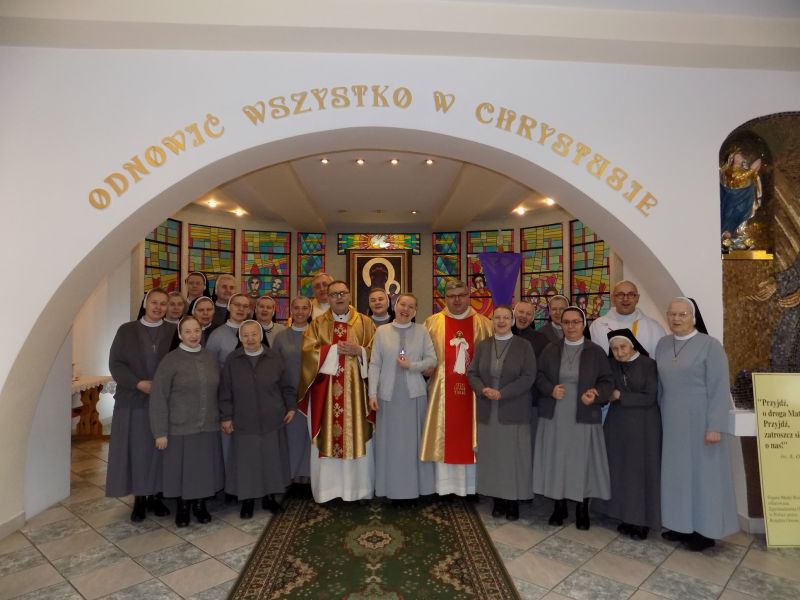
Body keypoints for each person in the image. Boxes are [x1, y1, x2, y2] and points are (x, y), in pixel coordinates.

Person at [656, 297, 738, 551]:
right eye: (672, 314)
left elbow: (719, 388)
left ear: (693, 317)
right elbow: (661, 387)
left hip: (702, 422)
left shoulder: (710, 346)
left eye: (682, 314)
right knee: (677, 476)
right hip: (672, 422)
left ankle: (705, 531)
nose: (676, 319)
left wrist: (715, 426)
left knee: (704, 477)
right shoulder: (663, 344)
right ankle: (680, 525)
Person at [534, 306, 612, 530]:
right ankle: (558, 506)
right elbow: (538, 375)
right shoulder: (551, 349)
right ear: (561, 325)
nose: (571, 326)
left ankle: (581, 508)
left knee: (582, 462)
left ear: (584, 324)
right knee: (557, 460)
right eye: (566, 322)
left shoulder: (595, 351)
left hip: (583, 414)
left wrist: (596, 394)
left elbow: (607, 381)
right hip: (556, 413)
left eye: (575, 322)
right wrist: (550, 389)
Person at [298, 280, 377, 502]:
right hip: (326, 396)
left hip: (357, 395)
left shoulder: (365, 323)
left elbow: (377, 353)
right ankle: (328, 491)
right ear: (327, 298)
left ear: (350, 295)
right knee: (328, 439)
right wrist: (333, 350)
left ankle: (359, 490)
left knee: (358, 436)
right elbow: (308, 354)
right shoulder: (317, 324)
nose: (339, 297)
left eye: (343, 293)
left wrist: (359, 351)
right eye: (334, 294)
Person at [149, 316, 224, 527]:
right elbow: (159, 397)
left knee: (203, 469)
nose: (193, 335)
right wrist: (160, 432)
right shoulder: (170, 360)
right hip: (180, 427)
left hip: (208, 425)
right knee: (183, 471)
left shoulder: (210, 358)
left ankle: (200, 506)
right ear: (180, 334)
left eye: (197, 330)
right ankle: (183, 508)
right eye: (188, 331)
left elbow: (219, 390)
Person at [106, 288, 174, 522]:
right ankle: (140, 499)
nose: (158, 307)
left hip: (163, 402)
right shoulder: (126, 330)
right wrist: (138, 383)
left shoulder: (173, 331)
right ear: (145, 303)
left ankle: (156, 495)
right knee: (137, 451)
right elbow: (116, 363)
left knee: (160, 451)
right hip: (132, 400)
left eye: (163, 303)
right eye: (154, 302)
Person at [420, 279, 493, 497]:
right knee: (443, 436)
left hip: (474, 393)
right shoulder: (432, 323)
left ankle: (471, 488)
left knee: (471, 436)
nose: (457, 300)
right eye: (452, 296)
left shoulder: (484, 324)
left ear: (469, 296)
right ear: (445, 298)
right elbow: (422, 357)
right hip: (440, 392)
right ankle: (444, 488)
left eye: (461, 295)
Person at [220, 320, 295, 518]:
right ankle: (247, 501)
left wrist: (291, 407)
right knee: (247, 462)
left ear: (261, 336)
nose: (250, 339)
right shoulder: (233, 360)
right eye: (245, 335)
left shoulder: (274, 358)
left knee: (271, 460)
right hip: (244, 420)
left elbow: (286, 386)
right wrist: (226, 416)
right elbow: (225, 391)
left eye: (254, 334)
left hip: (272, 418)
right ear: (240, 338)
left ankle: (270, 498)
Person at [468, 305, 536, 520]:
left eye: (506, 317)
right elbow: (472, 373)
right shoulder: (483, 345)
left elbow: (528, 376)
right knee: (493, 457)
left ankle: (513, 501)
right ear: (492, 321)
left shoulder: (524, 346)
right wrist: (482, 389)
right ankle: (497, 500)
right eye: (497, 317)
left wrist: (503, 393)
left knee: (513, 458)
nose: (501, 321)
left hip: (514, 408)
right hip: (488, 409)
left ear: (512, 321)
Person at [368, 293, 437, 502]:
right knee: (391, 445)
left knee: (413, 445)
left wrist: (412, 366)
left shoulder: (421, 331)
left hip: (414, 396)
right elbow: (375, 364)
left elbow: (432, 360)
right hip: (388, 396)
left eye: (411, 307)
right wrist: (372, 393)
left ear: (415, 311)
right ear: (395, 306)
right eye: (402, 305)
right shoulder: (382, 331)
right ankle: (391, 490)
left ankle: (416, 490)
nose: (405, 309)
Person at [594, 328, 661, 540]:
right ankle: (624, 516)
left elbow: (649, 396)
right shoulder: (611, 365)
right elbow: (605, 388)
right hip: (618, 424)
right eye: (614, 349)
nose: (619, 352)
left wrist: (620, 396)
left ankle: (641, 521)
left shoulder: (649, 365)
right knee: (619, 470)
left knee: (639, 473)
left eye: (623, 347)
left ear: (632, 345)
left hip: (644, 426)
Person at [273, 296, 313, 486]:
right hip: (289, 396)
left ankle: (311, 477)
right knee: (292, 437)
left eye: (305, 308)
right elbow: (274, 368)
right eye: (296, 308)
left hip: (313, 395)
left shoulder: (317, 334)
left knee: (310, 436)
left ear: (310, 311)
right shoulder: (281, 337)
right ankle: (291, 478)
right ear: (291, 310)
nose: (300, 312)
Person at [589, 281, 665, 356]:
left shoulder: (654, 327)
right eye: (620, 294)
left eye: (631, 294)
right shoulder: (598, 326)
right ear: (613, 298)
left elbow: (662, 358)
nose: (625, 299)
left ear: (637, 298)